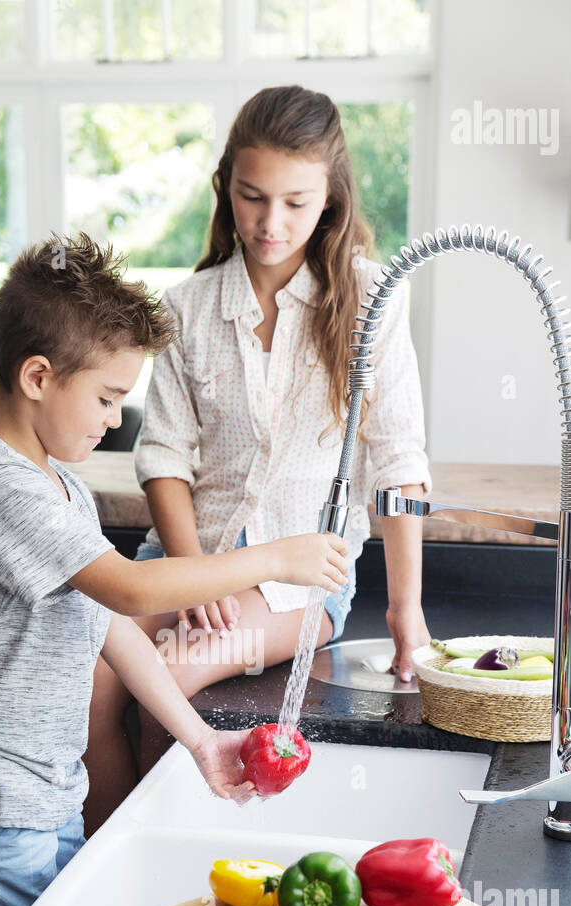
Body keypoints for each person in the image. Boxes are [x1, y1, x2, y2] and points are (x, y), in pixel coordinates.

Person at [0, 232, 348, 906]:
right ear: (37, 377)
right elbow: (134, 589)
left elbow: (110, 627)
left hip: (40, 800)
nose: (113, 421)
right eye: (106, 399)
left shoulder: (58, 486)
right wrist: (275, 560)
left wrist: (200, 742)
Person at [83, 85, 433, 836]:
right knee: (88, 681)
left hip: (293, 585)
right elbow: (166, 457)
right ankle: (97, 883)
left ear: (331, 198)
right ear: (226, 187)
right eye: (252, 197)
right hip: (183, 555)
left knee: (166, 680)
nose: (271, 224)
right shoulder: (188, 306)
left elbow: (398, 459)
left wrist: (407, 611)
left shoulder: (374, 299)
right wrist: (189, 567)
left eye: (296, 203)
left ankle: (162, 873)